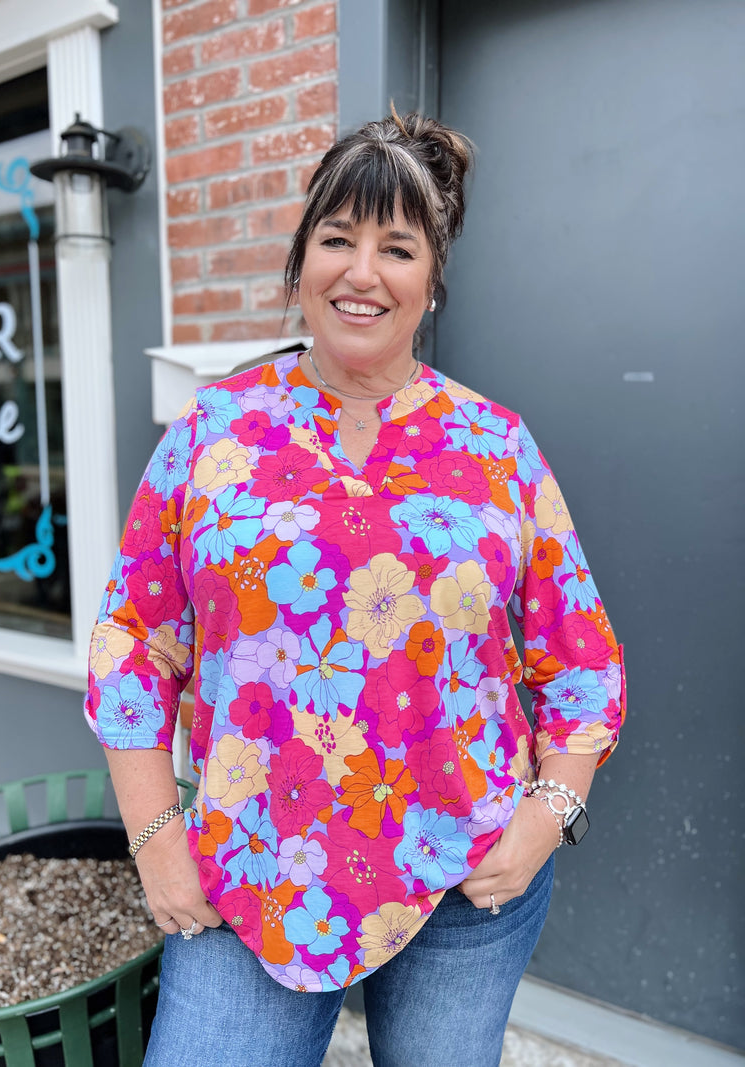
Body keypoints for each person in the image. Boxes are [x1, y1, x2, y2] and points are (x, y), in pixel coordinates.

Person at [85, 110, 625, 1067]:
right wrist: (157, 838)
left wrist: (550, 816)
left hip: (463, 877)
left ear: (432, 280)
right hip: (254, 870)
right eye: (337, 239)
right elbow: (135, 638)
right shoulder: (216, 434)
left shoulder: (497, 447)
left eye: (397, 247)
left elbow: (580, 661)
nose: (362, 272)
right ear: (301, 265)